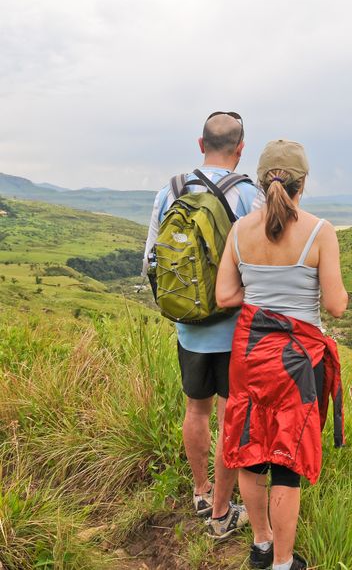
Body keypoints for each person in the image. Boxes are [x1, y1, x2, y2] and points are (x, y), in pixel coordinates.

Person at [215, 140, 348, 570]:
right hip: (298, 361)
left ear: (261, 181)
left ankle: (261, 544)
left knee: (251, 451)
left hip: (249, 354)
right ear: (302, 184)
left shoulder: (240, 232)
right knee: (286, 461)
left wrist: (260, 298)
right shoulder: (320, 231)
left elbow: (224, 295)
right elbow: (336, 305)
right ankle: (283, 562)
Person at [143, 111, 258, 539]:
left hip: (187, 326)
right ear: (240, 148)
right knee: (230, 418)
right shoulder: (249, 195)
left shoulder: (170, 191)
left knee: (196, 409)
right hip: (234, 329)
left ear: (200, 144)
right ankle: (222, 514)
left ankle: (200, 492)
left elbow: (150, 261)